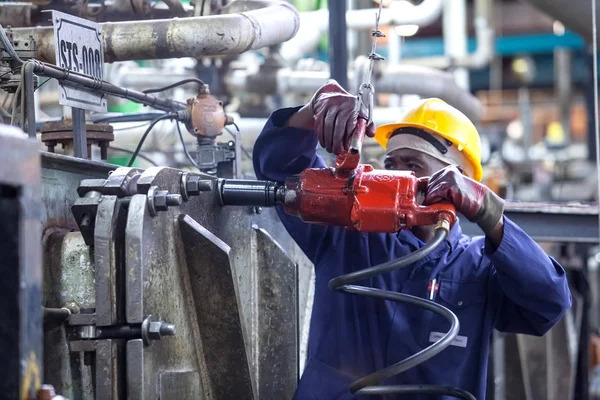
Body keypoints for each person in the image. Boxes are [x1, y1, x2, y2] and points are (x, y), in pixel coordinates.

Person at [253, 80, 572, 399]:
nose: (397, 177)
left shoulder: (480, 266)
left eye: (413, 166)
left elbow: (549, 303)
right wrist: (312, 111)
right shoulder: (349, 232)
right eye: (391, 165)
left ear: (462, 184)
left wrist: (492, 217)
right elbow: (281, 169)